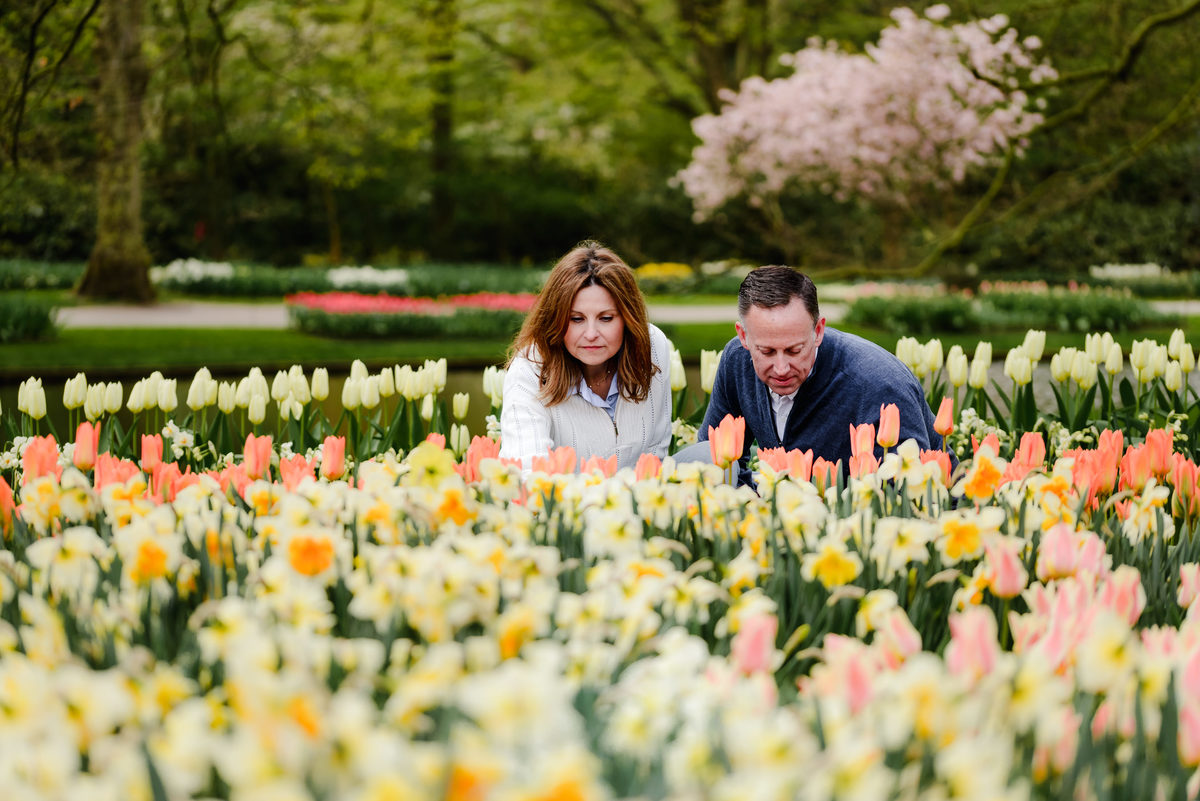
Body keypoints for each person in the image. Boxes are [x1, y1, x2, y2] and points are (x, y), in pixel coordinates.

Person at [698, 265, 945, 485]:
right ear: (744, 336)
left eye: (795, 350)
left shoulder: (878, 383)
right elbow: (711, 457)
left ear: (818, 331)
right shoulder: (737, 360)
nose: (781, 368)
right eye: (767, 351)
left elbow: (909, 490)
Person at [499, 241, 673, 472]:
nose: (591, 334)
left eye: (606, 318)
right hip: (561, 505)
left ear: (628, 319)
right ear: (556, 319)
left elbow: (656, 450)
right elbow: (526, 470)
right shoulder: (529, 368)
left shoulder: (651, 347)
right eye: (576, 319)